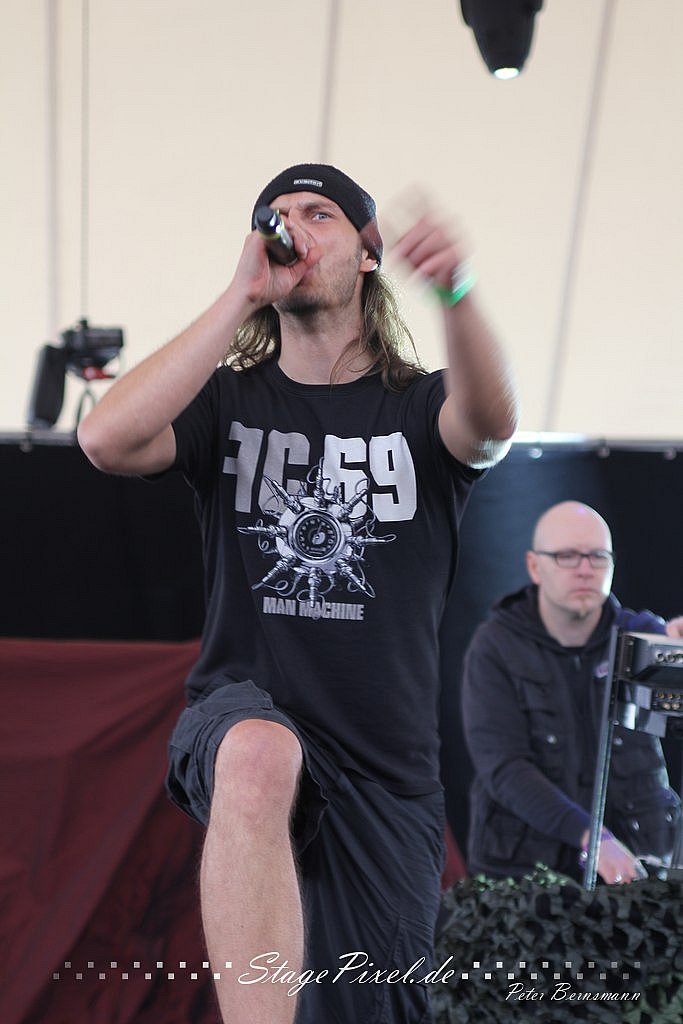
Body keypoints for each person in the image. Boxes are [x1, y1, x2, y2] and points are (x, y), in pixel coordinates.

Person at [77, 162, 519, 1024]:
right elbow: (104, 438)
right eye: (275, 216)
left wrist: (457, 291)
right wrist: (239, 295)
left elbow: (492, 427)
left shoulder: (419, 408)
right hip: (243, 711)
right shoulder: (226, 402)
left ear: (367, 254)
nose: (292, 228)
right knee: (257, 755)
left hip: (384, 769)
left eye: (319, 214)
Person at [462, 500, 682, 887]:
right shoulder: (495, 646)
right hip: (527, 877)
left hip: (638, 870)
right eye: (567, 556)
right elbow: (505, 768)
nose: (584, 569)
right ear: (535, 566)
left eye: (598, 556)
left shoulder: (644, 639)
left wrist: (676, 650)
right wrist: (592, 837)